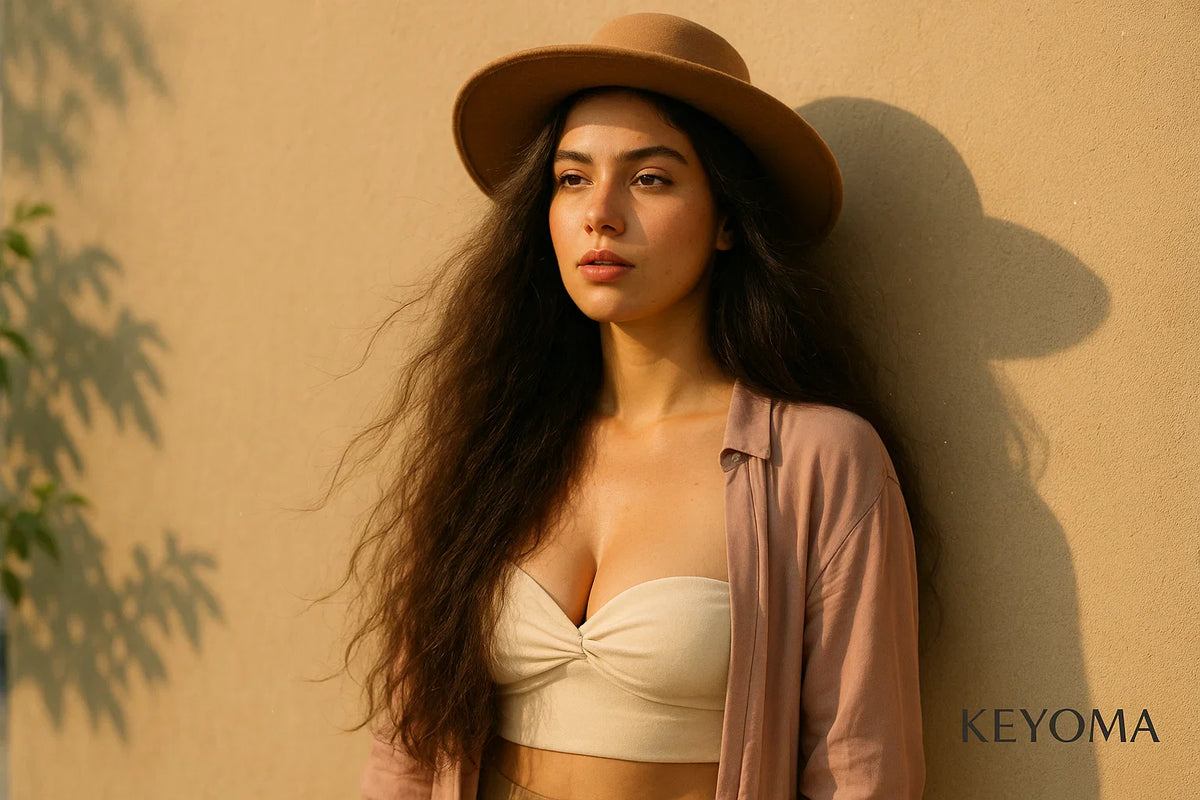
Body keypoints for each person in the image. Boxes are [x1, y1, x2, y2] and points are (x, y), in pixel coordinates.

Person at [344, 12, 932, 800]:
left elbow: (860, 771)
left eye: (649, 178)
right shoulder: (497, 446)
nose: (601, 212)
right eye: (572, 178)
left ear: (728, 220)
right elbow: (407, 755)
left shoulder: (819, 461)